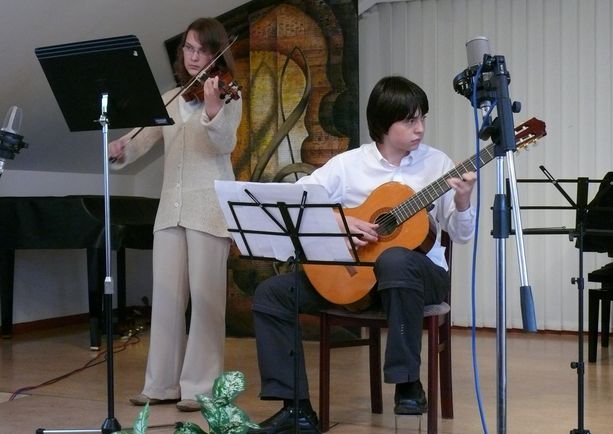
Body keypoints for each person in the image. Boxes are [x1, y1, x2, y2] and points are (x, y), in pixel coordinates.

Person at [247, 75, 477, 433]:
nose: (420, 128)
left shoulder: (439, 165)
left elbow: (462, 235)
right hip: (356, 279)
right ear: (383, 124)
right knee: (271, 294)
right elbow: (298, 201)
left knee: (395, 259)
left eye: (422, 118)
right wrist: (341, 221)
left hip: (420, 280)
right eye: (409, 121)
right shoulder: (348, 165)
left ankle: (407, 382)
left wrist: (462, 200)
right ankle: (296, 410)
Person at [108, 17, 242, 412]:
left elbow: (224, 144)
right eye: (189, 48)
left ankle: (201, 388)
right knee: (166, 299)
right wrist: (119, 149)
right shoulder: (169, 98)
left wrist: (213, 110)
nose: (194, 57)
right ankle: (160, 384)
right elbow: (141, 140)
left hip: (208, 210)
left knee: (206, 302)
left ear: (216, 53)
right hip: (170, 210)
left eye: (203, 50)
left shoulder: (229, 96)